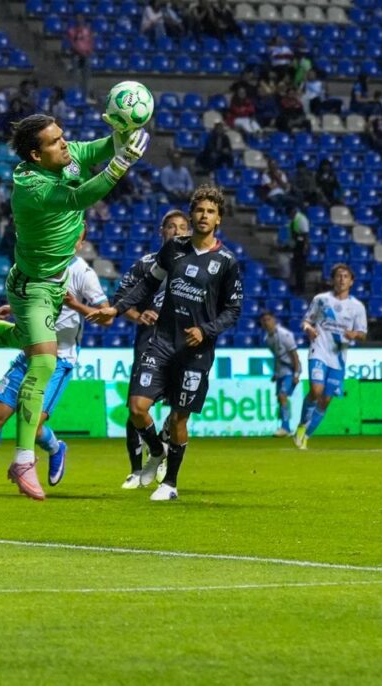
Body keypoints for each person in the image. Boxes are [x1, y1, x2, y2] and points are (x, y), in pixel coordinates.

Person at [0, 115, 150, 496]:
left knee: (21, 339)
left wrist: (123, 133)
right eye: (54, 141)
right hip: (34, 287)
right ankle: (23, 460)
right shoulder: (32, 187)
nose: (64, 144)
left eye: (63, 136)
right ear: (35, 155)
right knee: (44, 362)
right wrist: (121, 164)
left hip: (49, 283)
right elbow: (79, 197)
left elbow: (99, 147)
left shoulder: (64, 156)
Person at [88, 184, 243, 501]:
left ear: (219, 219)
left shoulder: (226, 261)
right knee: (137, 408)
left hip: (194, 351)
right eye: (199, 210)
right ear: (192, 215)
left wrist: (206, 330)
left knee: (178, 419)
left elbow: (233, 310)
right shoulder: (173, 249)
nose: (204, 216)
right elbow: (147, 284)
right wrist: (117, 309)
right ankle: (156, 451)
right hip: (161, 342)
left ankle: (170, 483)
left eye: (211, 212)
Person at [0, 232, 109, 498]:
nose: (70, 241)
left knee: (33, 423)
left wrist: (75, 304)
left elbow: (107, 317)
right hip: (29, 351)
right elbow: (37, 301)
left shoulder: (83, 274)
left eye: (76, 238)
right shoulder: (42, 264)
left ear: (81, 243)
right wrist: (14, 308)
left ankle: (55, 448)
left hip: (59, 358)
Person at [110, 209, 191, 487]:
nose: (177, 231)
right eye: (171, 226)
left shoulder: (198, 266)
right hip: (149, 343)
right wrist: (138, 315)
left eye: (182, 227)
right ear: (162, 231)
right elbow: (121, 299)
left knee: (178, 410)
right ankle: (137, 468)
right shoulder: (145, 264)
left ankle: (164, 453)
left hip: (183, 346)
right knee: (137, 407)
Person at [293, 264, 367, 450]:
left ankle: (306, 435)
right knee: (316, 390)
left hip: (338, 358)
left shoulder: (357, 307)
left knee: (325, 400)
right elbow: (306, 321)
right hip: (319, 350)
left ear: (351, 281)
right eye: (338, 276)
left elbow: (363, 334)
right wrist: (309, 329)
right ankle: (302, 424)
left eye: (346, 276)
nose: (342, 279)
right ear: (333, 279)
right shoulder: (321, 300)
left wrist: (354, 334)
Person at [260, 311, 300, 437]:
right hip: (281, 371)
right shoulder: (267, 338)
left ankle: (285, 427)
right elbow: (277, 357)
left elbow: (294, 355)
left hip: (290, 369)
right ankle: (285, 426)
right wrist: (276, 373)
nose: (267, 322)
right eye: (264, 320)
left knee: (283, 396)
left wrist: (296, 374)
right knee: (280, 398)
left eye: (269, 319)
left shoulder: (284, 334)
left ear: (274, 320)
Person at [65, 15, 93, 99]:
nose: (79, 21)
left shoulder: (87, 31)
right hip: (76, 55)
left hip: (86, 55)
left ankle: (85, 95)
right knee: (75, 75)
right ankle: (75, 94)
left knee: (86, 76)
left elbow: (90, 42)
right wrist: (80, 52)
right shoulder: (72, 31)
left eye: (81, 19)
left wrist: (89, 51)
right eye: (78, 19)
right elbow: (72, 44)